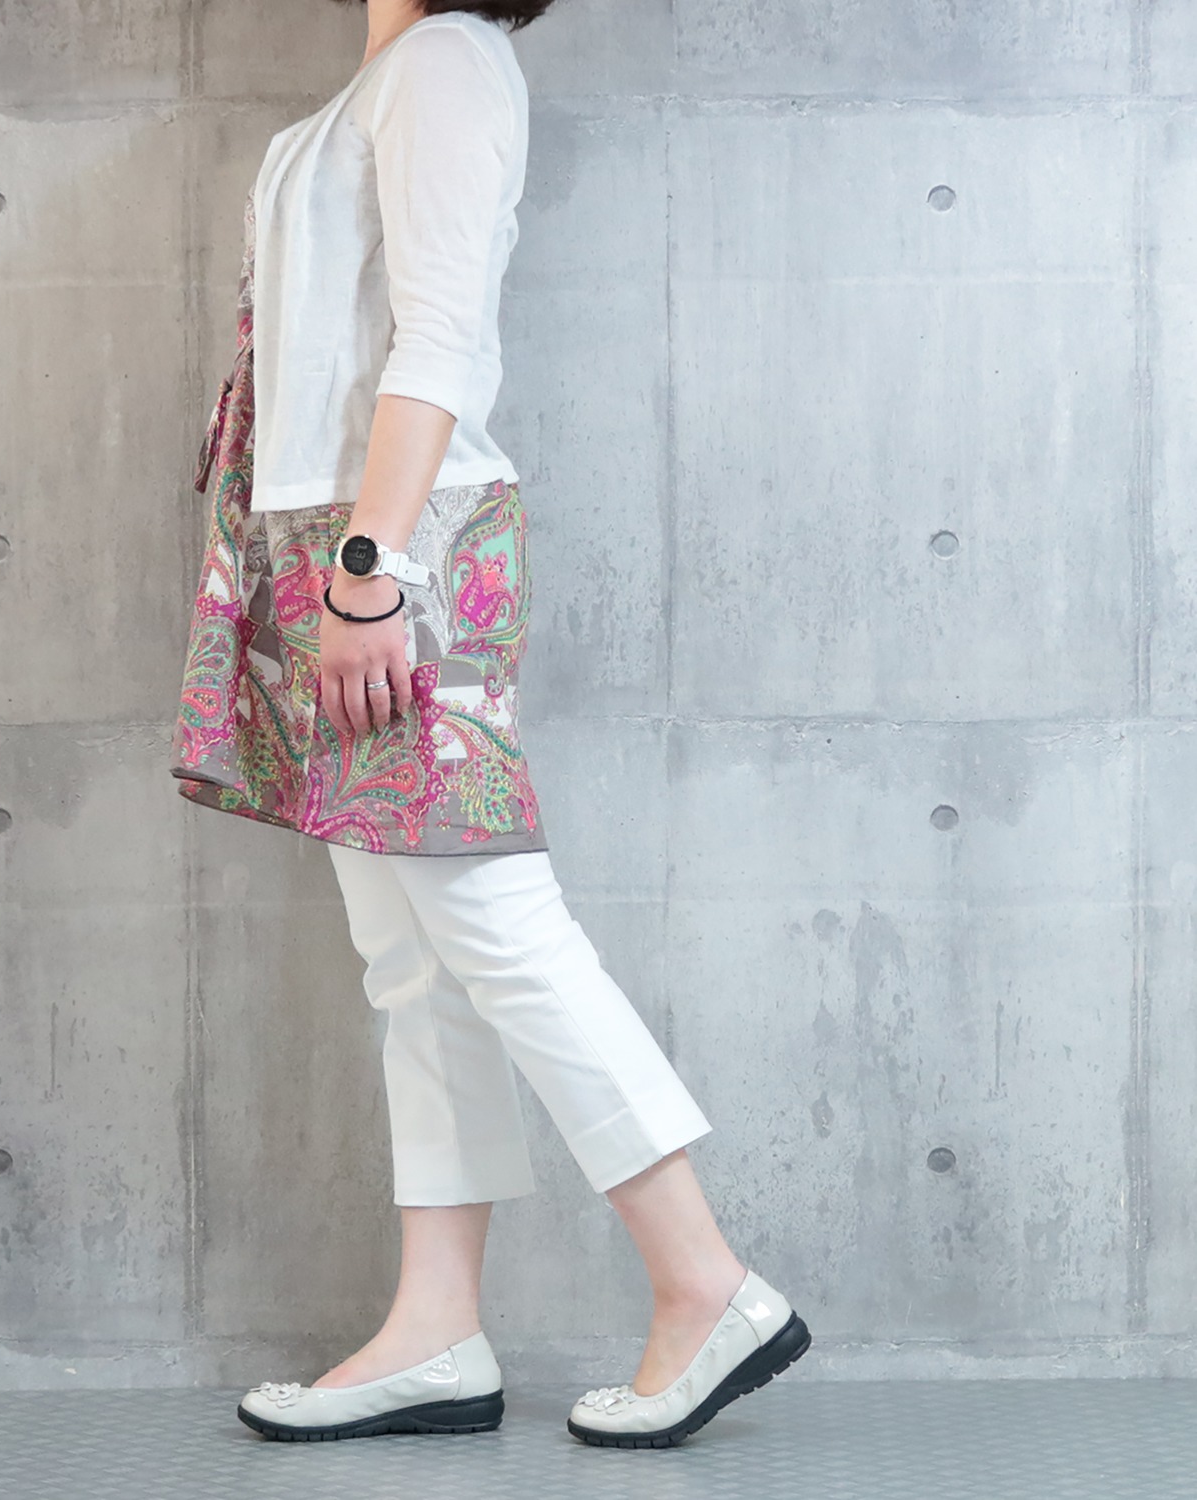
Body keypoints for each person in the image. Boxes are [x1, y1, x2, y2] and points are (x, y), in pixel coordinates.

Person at [169, 0, 810, 1449]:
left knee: (498, 926)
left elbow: (443, 338)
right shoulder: (379, 85)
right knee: (414, 961)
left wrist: (370, 569)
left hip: (394, 552)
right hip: (335, 545)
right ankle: (437, 1328)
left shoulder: (450, 60)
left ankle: (703, 1281)